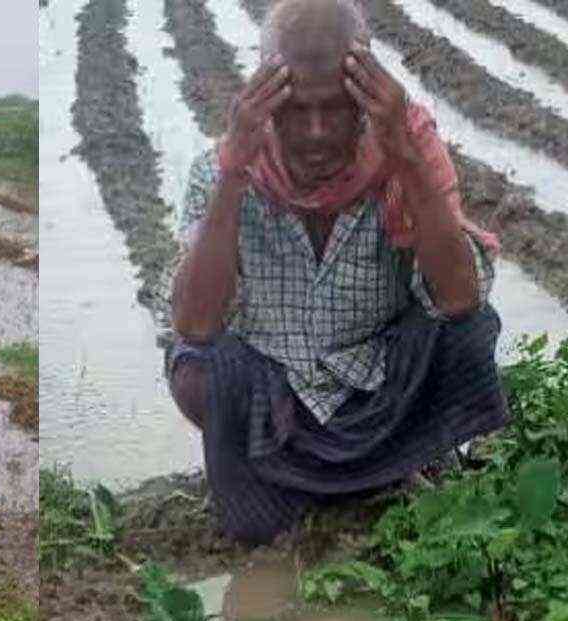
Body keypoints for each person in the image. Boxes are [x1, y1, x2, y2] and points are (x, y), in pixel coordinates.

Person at [164, 0, 508, 544]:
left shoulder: (407, 150)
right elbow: (195, 323)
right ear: (266, 101)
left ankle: (390, 464)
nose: (318, 131)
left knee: (468, 334)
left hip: (382, 387)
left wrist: (407, 158)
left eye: (337, 108)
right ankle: (349, 478)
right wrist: (234, 176)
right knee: (196, 370)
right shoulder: (225, 166)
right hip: (277, 395)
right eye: (296, 110)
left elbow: (460, 297)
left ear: (366, 100)